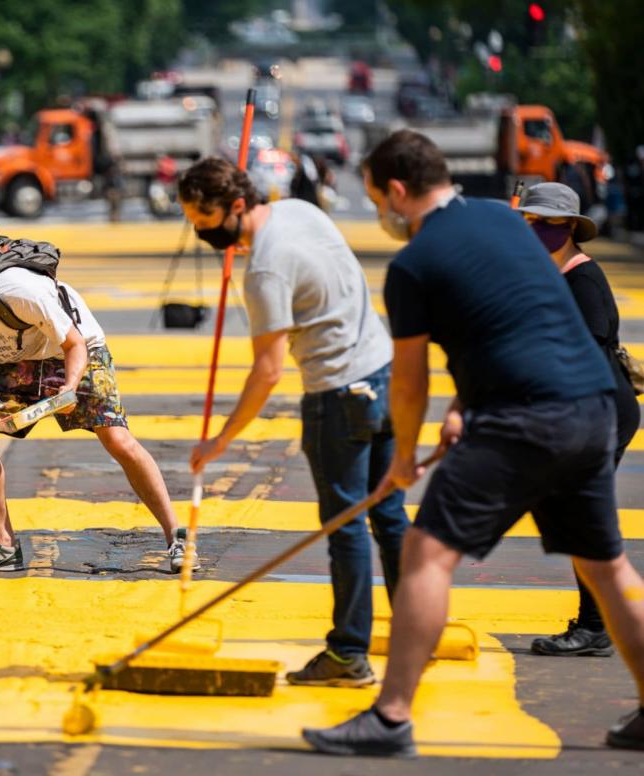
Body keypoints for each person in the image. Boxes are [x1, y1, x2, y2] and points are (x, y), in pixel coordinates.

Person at [304, 129, 644, 756]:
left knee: (429, 554)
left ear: (399, 192)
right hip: (594, 404)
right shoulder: (502, 221)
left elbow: (408, 384)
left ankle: (389, 718)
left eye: (379, 197)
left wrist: (401, 459)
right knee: (606, 565)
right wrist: (466, 403)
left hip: (526, 417)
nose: (381, 210)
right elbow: (514, 320)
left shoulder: (413, 266)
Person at [180, 158, 407, 687]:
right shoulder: (300, 209)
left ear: (237, 205)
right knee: (390, 514)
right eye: (193, 221)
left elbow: (268, 370)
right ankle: (416, 625)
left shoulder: (263, 270)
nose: (203, 231)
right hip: (383, 371)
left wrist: (220, 440)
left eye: (207, 219)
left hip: (337, 394)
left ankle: (349, 654)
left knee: (345, 524)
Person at [0, 241, 192, 572]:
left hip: (74, 350)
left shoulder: (22, 294)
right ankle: (3, 542)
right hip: (13, 361)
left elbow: (74, 344)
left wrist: (69, 390)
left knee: (117, 438)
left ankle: (176, 536)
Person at [519, 182, 642, 658]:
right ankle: (598, 623)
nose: (536, 231)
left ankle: (597, 625)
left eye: (545, 224)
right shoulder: (552, 274)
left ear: (569, 227)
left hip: (599, 412)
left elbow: (584, 357)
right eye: (531, 223)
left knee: (582, 522)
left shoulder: (582, 279)